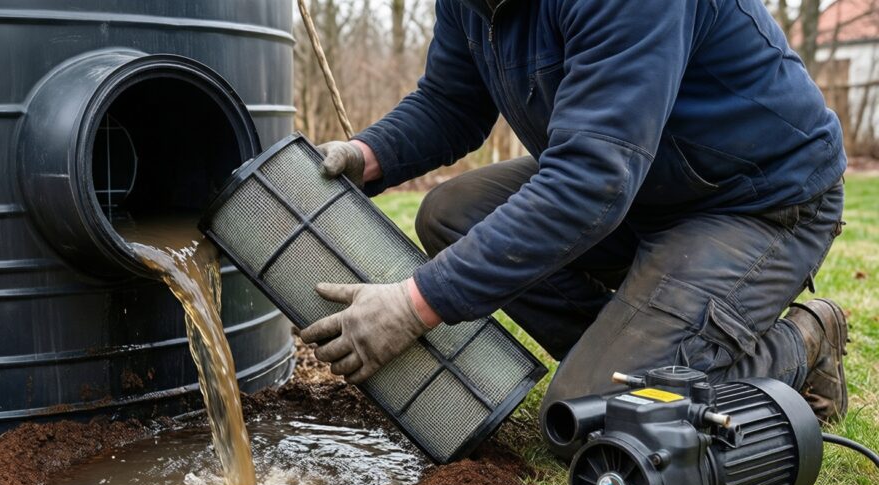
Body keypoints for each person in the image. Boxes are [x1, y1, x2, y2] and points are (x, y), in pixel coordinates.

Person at [299, 0, 849, 448]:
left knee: (590, 416)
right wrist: (366, 155)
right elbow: (451, 103)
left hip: (755, 199)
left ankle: (804, 341)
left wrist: (413, 304)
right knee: (452, 214)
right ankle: (628, 350)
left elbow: (589, 181)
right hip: (641, 184)